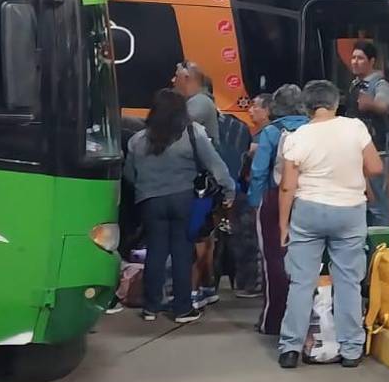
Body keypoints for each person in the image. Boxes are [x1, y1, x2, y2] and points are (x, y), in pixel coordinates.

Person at [277, 81, 384, 369]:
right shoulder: (355, 128)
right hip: (349, 211)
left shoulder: (297, 135)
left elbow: (287, 186)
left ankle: (290, 348)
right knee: (348, 280)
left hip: (308, 211)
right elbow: (375, 168)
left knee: (302, 281)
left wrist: (283, 225)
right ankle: (351, 350)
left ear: (307, 106)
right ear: (335, 103)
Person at [124, 89, 233, 324]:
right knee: (183, 252)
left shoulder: (137, 140)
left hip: (150, 201)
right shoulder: (192, 134)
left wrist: (147, 188)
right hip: (184, 199)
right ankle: (182, 308)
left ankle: (151, 307)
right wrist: (229, 189)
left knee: (155, 252)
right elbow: (215, 165)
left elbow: (129, 174)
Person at [248, 84, 309, 335]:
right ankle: (306, 319)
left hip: (275, 198)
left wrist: (255, 202)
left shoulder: (272, 132)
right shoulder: (312, 129)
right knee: (307, 259)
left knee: (274, 257)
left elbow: (259, 170)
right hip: (308, 199)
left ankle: (273, 321)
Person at [346, 41, 389, 226]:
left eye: (360, 58)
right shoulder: (355, 84)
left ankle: (383, 245)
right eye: (353, 57)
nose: (355, 62)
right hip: (356, 150)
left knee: (378, 202)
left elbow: (385, 105)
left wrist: (371, 104)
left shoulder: (380, 84)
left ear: (371, 61)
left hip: (376, 150)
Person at [173, 61, 219, 138]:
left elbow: (176, 128)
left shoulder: (201, 101)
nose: (173, 80)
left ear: (186, 78)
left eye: (176, 76)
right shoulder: (193, 100)